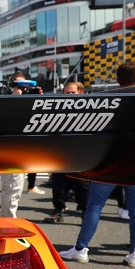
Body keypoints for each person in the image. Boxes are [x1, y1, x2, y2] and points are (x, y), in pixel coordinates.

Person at [59, 63, 135, 267]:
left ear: (117, 80)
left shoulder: (110, 98)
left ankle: (81, 249)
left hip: (111, 159)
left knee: (95, 205)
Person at [45, 81, 88, 222]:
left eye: (73, 92)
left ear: (80, 92)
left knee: (83, 186)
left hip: (81, 155)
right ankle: (59, 210)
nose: (69, 95)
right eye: (67, 92)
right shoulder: (57, 110)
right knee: (58, 186)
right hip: (61, 155)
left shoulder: (90, 109)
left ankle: (85, 213)